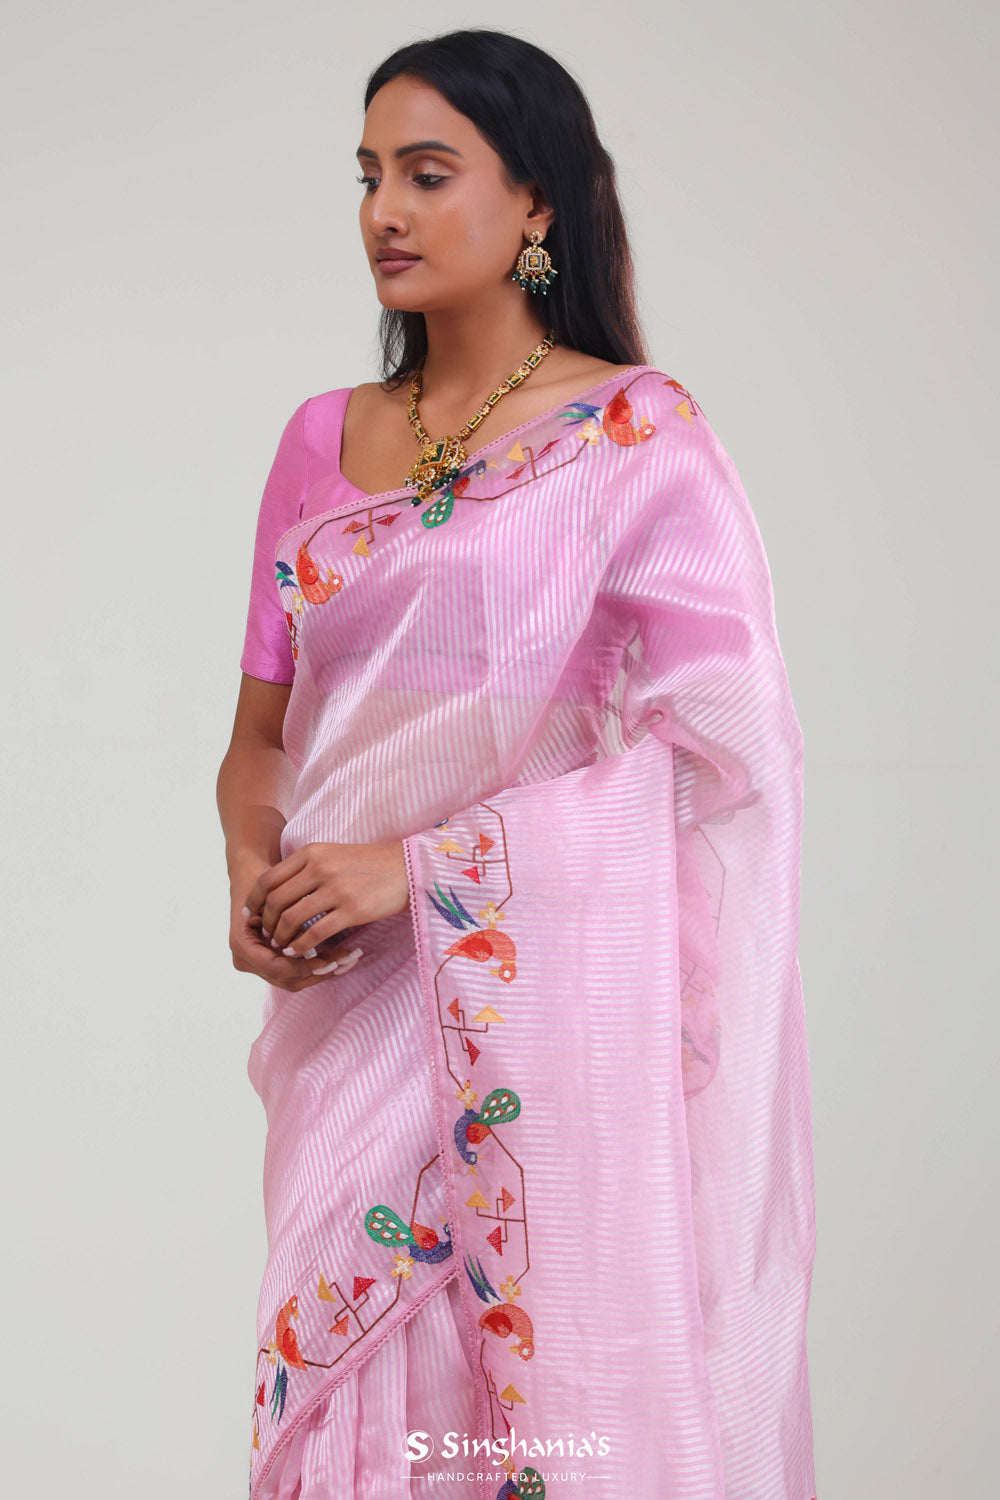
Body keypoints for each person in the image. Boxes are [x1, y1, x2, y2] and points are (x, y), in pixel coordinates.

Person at [216, 28, 817, 1500]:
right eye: (369, 176)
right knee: (345, 1402)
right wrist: (252, 870)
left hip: (531, 1014)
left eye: (429, 175)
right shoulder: (320, 440)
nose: (385, 212)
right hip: (346, 1018)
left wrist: (421, 873)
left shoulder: (636, 441)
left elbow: (725, 758)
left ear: (537, 202)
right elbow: (258, 741)